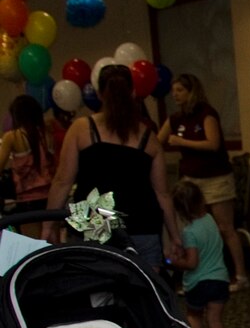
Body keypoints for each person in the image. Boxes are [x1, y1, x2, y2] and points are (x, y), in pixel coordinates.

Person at [43, 64, 182, 268]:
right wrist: (174, 236)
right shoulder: (148, 137)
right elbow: (162, 194)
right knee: (143, 293)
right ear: (133, 92)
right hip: (142, 228)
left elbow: (63, 181)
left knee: (95, 293)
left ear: (99, 94)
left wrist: (48, 226)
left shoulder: (82, 129)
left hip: (93, 224)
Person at [157, 73, 247, 291]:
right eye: (174, 90)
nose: (175, 95)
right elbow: (157, 141)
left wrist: (181, 142)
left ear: (191, 92)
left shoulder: (207, 114)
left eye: (180, 90)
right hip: (190, 180)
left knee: (224, 227)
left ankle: (240, 275)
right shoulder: (176, 118)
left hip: (215, 178)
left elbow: (213, 144)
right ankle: (194, 274)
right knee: (190, 229)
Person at [168, 179, 230, 328]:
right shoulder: (211, 221)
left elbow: (192, 262)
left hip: (198, 283)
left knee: (194, 315)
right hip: (220, 279)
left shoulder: (190, 232)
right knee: (215, 320)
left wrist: (175, 262)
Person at [0, 94, 58, 237]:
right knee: (54, 249)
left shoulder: (12, 137)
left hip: (27, 202)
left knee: (33, 250)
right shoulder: (47, 135)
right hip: (51, 199)